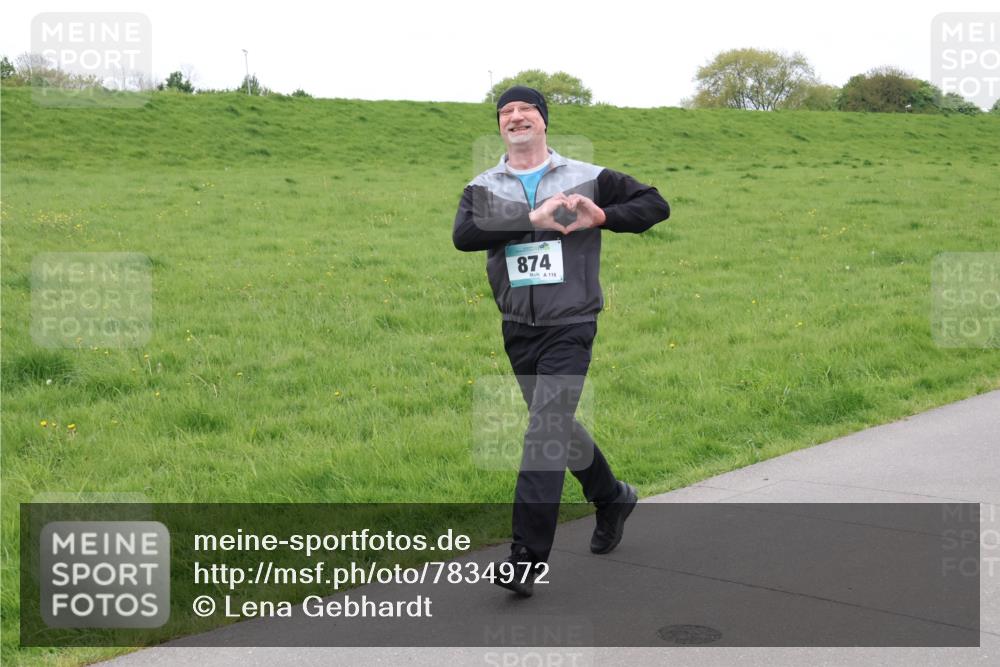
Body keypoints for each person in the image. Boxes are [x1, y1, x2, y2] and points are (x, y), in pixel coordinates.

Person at [452, 86, 670, 597]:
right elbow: (464, 234)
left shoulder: (587, 177)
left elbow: (654, 204)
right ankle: (611, 496)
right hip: (517, 327)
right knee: (556, 425)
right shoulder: (482, 186)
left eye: (527, 109)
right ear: (500, 127)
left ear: (544, 122)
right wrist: (531, 219)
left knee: (544, 432)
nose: (516, 116)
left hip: (570, 322)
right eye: (506, 111)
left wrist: (605, 216)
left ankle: (524, 560)